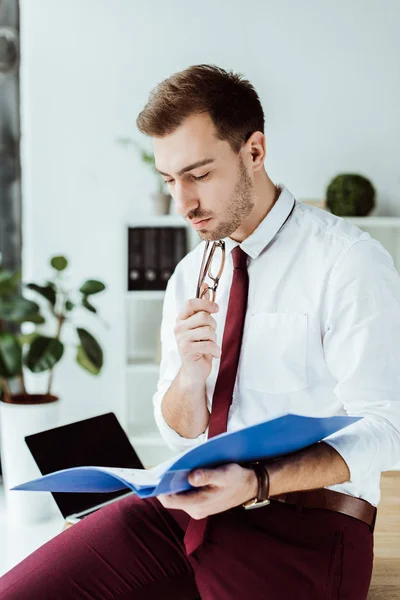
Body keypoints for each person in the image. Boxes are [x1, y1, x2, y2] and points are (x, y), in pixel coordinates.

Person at [1, 64, 400, 600]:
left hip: (305, 532)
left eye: (199, 174)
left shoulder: (348, 261)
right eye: (169, 180)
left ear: (254, 152)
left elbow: (388, 429)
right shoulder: (191, 274)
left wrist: (258, 481)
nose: (181, 203)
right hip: (189, 514)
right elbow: (180, 433)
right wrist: (190, 376)